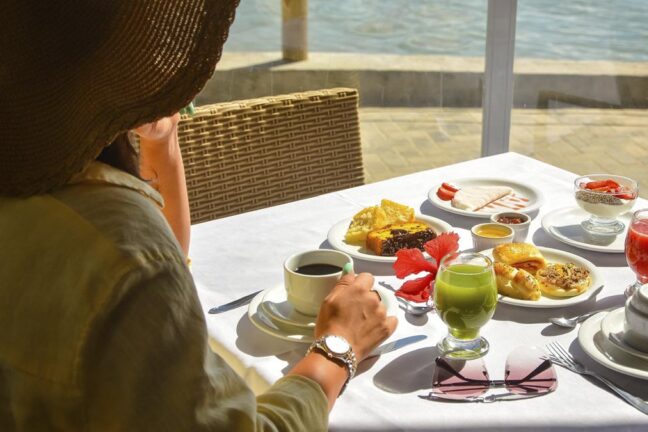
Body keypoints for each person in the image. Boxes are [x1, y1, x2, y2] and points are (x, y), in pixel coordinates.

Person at [0, 1, 396, 430]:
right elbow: (147, 271)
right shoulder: (122, 249)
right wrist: (338, 347)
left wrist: (161, 141)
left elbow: (167, 266)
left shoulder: (49, 193)